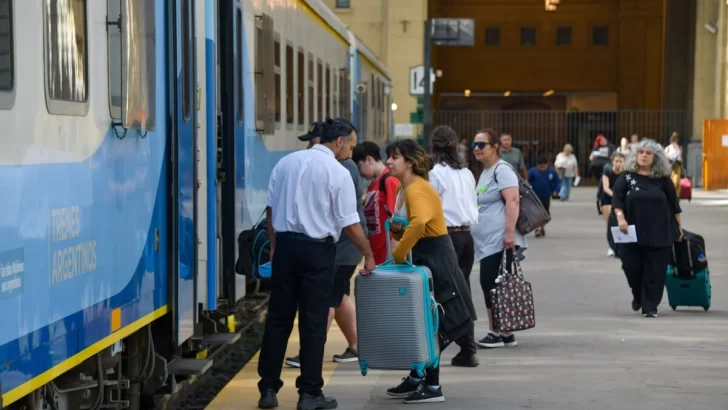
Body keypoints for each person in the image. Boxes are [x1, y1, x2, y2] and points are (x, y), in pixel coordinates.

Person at [257, 117, 376, 410]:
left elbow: (271, 209)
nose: (352, 151)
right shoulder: (337, 172)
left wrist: (274, 246)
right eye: (350, 145)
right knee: (312, 322)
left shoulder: (286, 163)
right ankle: (310, 394)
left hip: (285, 248)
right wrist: (369, 254)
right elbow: (350, 222)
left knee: (278, 320)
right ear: (338, 142)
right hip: (317, 252)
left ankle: (268, 390)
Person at [379, 139, 477, 404]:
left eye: (395, 157)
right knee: (424, 322)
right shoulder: (408, 187)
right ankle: (417, 376)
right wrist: (399, 229)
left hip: (435, 257)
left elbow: (421, 221)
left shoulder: (416, 189)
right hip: (430, 255)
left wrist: (399, 253)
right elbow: (413, 220)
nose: (388, 161)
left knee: (434, 323)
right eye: (388, 156)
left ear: (409, 162)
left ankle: (432, 385)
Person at [284, 119, 366, 369]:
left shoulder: (345, 166)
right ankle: (356, 346)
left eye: (313, 141)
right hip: (343, 246)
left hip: (342, 246)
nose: (310, 147)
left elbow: (345, 215)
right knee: (338, 297)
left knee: (326, 299)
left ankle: (309, 352)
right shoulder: (337, 165)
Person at [470, 129, 527, 348]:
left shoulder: (502, 170)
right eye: (475, 144)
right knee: (498, 283)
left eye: (481, 144)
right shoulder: (486, 171)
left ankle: (496, 331)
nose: (476, 148)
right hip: (488, 241)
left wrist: (509, 232)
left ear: (494, 147)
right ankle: (506, 332)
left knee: (491, 282)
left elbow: (513, 201)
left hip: (499, 239)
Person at [427, 125, 480, 368]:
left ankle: (449, 345)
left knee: (445, 292)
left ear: (433, 146)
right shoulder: (466, 173)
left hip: (444, 236)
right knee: (462, 288)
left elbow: (429, 207)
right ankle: (467, 347)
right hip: (466, 236)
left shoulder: (435, 174)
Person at [612, 139, 682, 318]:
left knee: (655, 270)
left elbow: (674, 205)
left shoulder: (663, 180)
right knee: (631, 266)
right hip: (631, 231)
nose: (643, 155)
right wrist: (621, 218)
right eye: (641, 152)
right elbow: (617, 199)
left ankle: (650, 306)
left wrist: (679, 228)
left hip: (660, 231)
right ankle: (638, 294)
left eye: (648, 153)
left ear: (656, 158)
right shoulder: (627, 176)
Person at [352, 140, 402, 265]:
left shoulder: (389, 181)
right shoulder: (372, 186)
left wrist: (392, 256)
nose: (360, 173)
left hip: (387, 255)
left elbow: (395, 221)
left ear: (369, 160)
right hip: (376, 254)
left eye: (359, 167)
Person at [527, 155, 561, 238]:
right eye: (541, 167)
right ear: (537, 165)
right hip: (535, 196)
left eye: (544, 166)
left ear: (547, 165)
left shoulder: (552, 172)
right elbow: (527, 180)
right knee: (536, 213)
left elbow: (557, 182)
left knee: (545, 213)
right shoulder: (533, 171)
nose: (543, 168)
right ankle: (537, 229)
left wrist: (556, 190)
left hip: (546, 196)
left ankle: (542, 228)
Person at [600, 152, 625, 257]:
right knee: (610, 224)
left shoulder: (626, 173)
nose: (618, 163)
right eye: (616, 161)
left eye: (620, 161)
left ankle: (620, 246)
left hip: (621, 199)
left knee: (620, 223)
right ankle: (611, 246)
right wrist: (615, 196)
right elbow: (605, 188)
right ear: (612, 162)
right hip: (607, 198)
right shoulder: (607, 171)